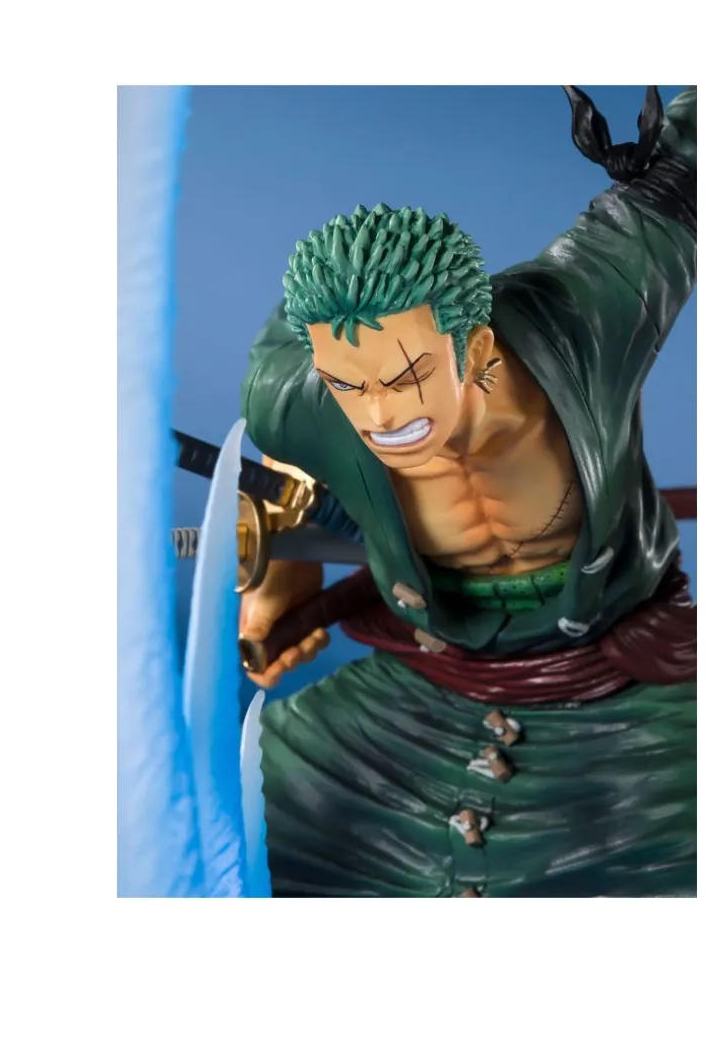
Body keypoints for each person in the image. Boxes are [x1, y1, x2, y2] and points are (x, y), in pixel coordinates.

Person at [239, 85, 697, 897]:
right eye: (349, 385)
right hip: (422, 691)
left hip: (628, 683)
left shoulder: (586, 311)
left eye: (405, 377)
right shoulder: (293, 395)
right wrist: (284, 568)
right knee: (246, 820)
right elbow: (289, 459)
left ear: (476, 347)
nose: (380, 417)